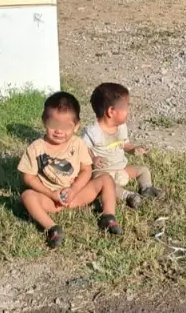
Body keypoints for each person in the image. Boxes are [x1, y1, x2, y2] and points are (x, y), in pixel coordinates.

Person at [19, 91, 121, 249]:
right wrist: (51, 194)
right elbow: (28, 178)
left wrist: (74, 189)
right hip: (51, 199)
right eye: (53, 124)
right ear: (44, 121)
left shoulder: (78, 144)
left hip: (76, 195)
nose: (59, 131)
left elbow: (86, 170)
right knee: (27, 196)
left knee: (106, 179)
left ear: (76, 126)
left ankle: (108, 216)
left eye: (66, 126)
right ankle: (52, 228)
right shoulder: (35, 148)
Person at [83, 82, 160, 210]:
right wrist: (93, 159)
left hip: (120, 168)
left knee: (143, 170)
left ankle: (147, 188)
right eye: (126, 106)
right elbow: (82, 150)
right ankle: (128, 195)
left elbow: (125, 144)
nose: (129, 110)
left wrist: (133, 149)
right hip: (102, 172)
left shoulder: (121, 127)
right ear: (111, 111)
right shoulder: (93, 132)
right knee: (106, 184)